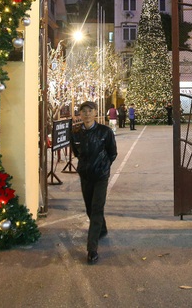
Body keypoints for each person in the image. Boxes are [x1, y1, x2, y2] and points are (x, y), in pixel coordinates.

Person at [71, 101, 118, 265]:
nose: (87, 114)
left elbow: (113, 152)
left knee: (97, 208)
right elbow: (76, 152)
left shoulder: (105, 132)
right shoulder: (76, 132)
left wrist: (103, 166)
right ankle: (102, 229)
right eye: (83, 111)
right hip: (85, 175)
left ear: (96, 112)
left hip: (101, 176)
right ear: (80, 114)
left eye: (90, 110)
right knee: (90, 208)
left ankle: (92, 249)